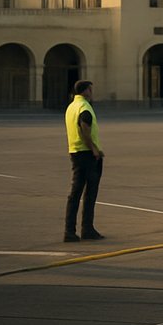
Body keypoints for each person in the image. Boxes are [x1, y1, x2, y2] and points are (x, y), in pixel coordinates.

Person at [63, 80, 104, 242]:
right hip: (87, 154)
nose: (92, 92)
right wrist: (94, 148)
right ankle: (86, 229)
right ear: (86, 91)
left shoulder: (71, 106)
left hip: (75, 151)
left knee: (76, 193)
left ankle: (71, 230)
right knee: (89, 192)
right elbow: (84, 127)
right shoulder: (85, 107)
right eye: (90, 90)